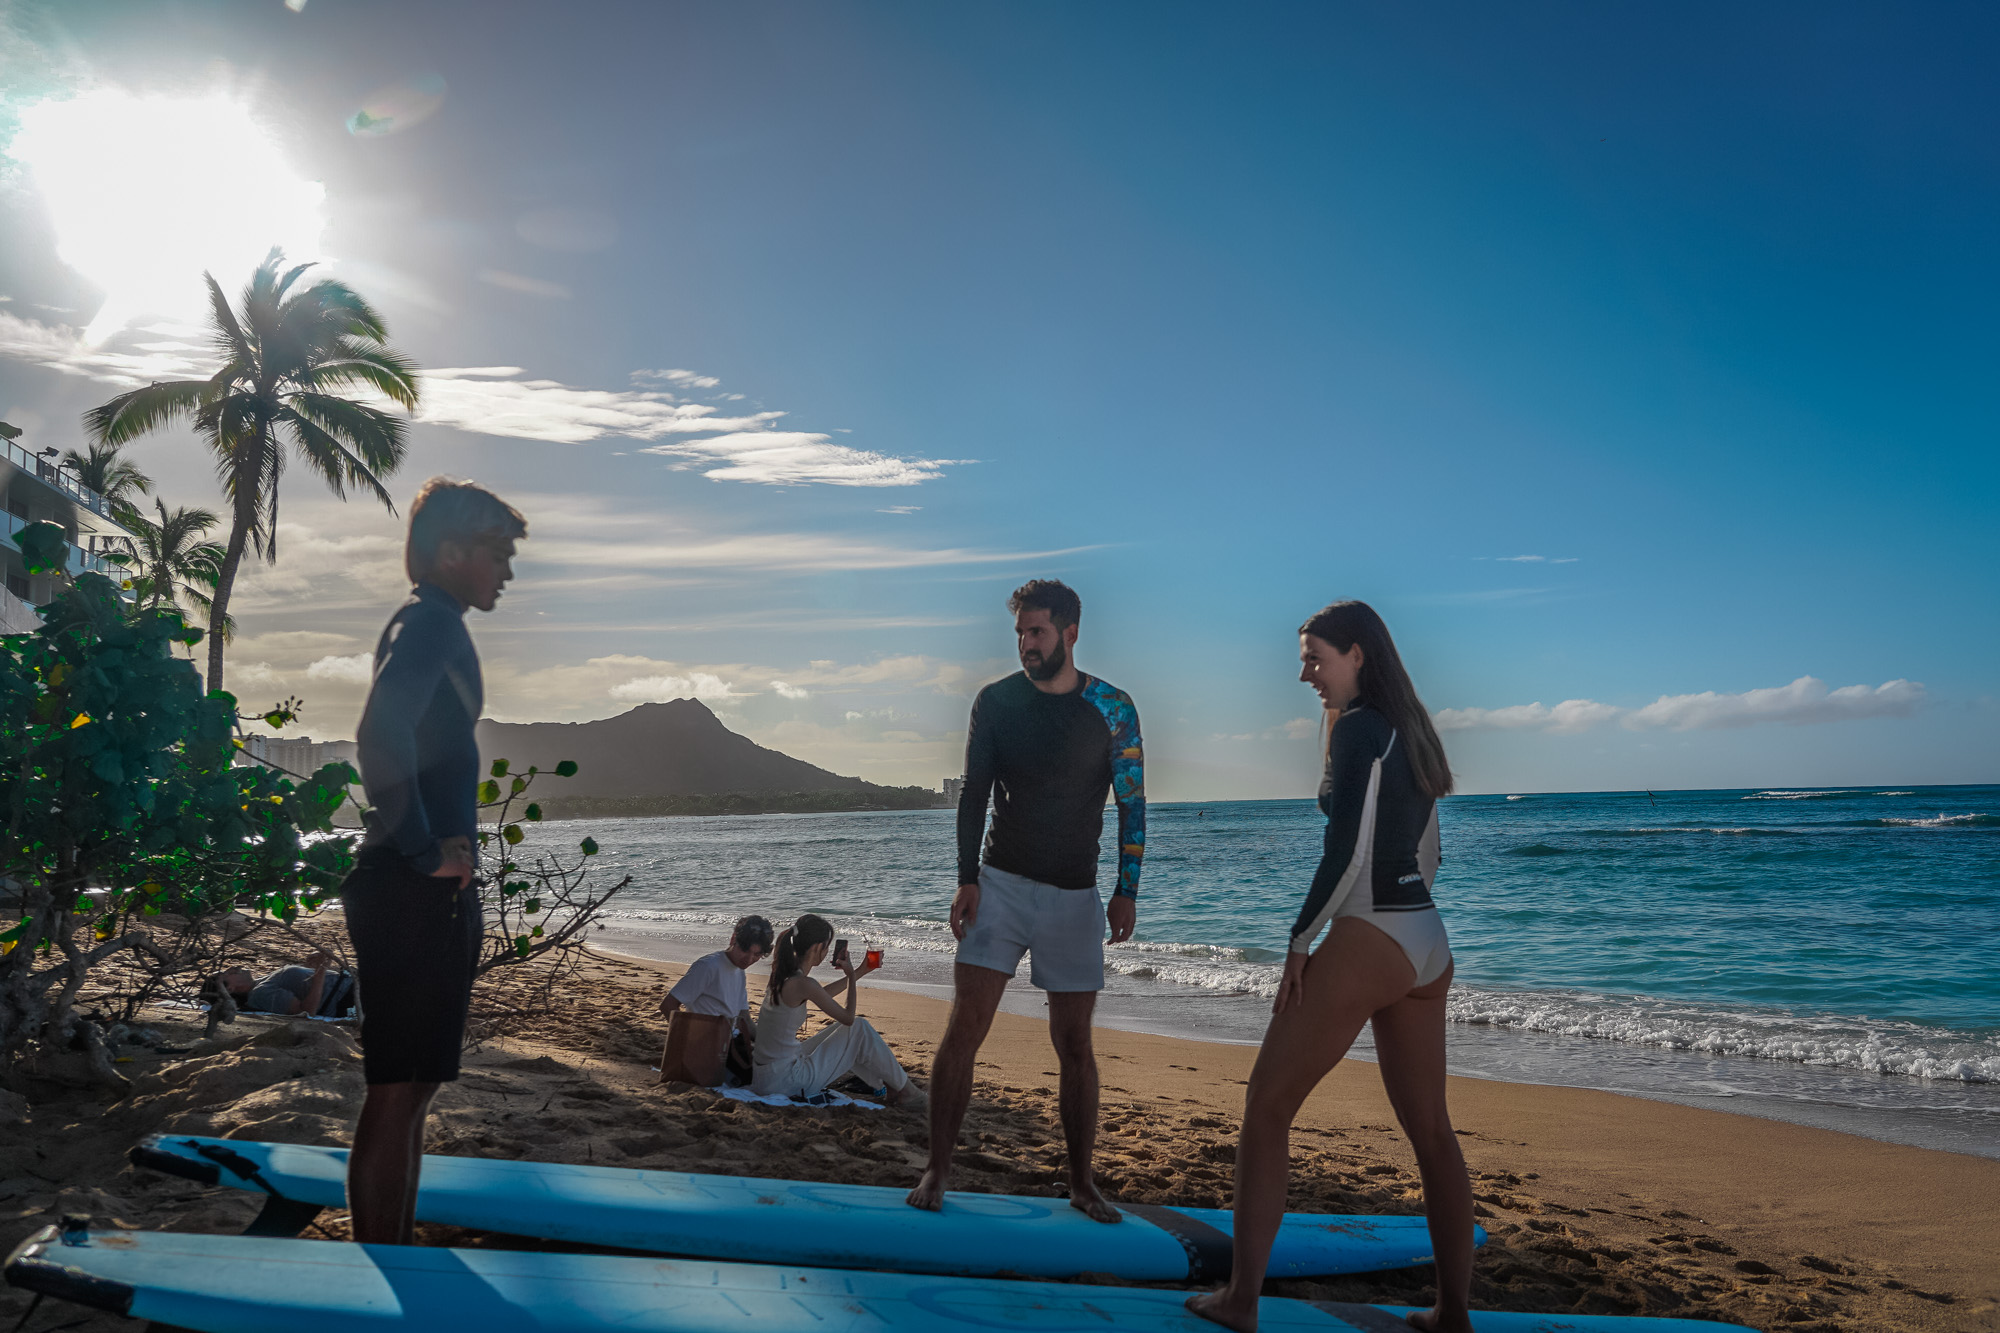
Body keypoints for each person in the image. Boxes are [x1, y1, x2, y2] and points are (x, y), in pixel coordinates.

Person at [1187, 601, 1473, 1333]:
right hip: (1426, 941)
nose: (1305, 672)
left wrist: (1300, 942)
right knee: (1432, 1131)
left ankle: (1242, 1299)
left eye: (1316, 657)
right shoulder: (1406, 730)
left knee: (1267, 1107)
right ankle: (1452, 1315)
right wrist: (1399, 922)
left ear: (1357, 653)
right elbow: (1426, 851)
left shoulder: (1361, 732)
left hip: (1371, 932)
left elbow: (1344, 852)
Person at [907, 579, 1144, 1223]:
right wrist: (966, 877)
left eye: (1036, 632)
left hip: (1075, 895)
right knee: (964, 1031)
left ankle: (1081, 1182)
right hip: (1001, 884)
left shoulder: (1112, 707)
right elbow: (974, 793)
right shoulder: (997, 702)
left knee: (1074, 1045)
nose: (1025, 645)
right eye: (1019, 633)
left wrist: (1126, 890)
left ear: (1070, 633)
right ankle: (938, 1168)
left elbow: (1132, 803)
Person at [341, 478, 526, 1247]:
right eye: (498, 553)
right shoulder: (432, 624)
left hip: (413, 889)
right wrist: (422, 849)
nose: (507, 572)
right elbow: (381, 732)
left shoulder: (430, 620)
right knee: (397, 1091)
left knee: (412, 1088)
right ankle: (380, 1264)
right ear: (452, 552)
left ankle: (394, 1252)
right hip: (410, 888)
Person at [753, 914, 923, 1108]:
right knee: (858, 1027)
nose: (827, 952)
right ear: (818, 948)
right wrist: (850, 976)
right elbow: (848, 1018)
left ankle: (889, 1084)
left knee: (842, 1031)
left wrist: (860, 971)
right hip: (785, 1082)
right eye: (826, 946)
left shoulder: (783, 976)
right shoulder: (802, 983)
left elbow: (821, 994)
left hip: (768, 1075)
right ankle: (907, 1092)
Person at [656, 915, 773, 1085]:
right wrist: (688, 1044)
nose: (749, 959)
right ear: (733, 939)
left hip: (729, 1043)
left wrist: (768, 1042)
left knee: (774, 1064)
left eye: (757, 954)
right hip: (708, 1045)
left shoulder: (739, 971)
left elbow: (744, 1018)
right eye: (745, 951)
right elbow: (668, 1005)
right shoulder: (709, 966)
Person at [211, 951, 355, 1018]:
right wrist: (320, 971)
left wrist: (310, 968)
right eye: (228, 973)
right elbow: (307, 1012)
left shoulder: (261, 983)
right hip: (347, 997)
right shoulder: (260, 994)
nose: (233, 968)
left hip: (350, 986)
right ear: (229, 989)